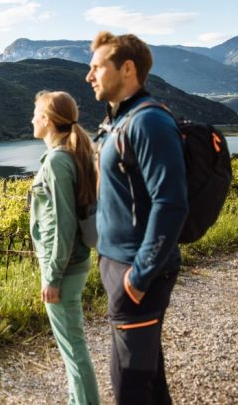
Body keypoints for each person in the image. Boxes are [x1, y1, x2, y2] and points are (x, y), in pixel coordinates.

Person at [85, 31, 188, 404]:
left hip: (137, 272)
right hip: (117, 265)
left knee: (129, 384)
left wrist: (139, 277)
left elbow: (171, 203)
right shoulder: (118, 121)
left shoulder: (148, 122)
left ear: (127, 68)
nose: (89, 76)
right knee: (149, 379)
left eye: (97, 67)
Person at [29, 90, 100, 405]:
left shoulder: (58, 160)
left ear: (46, 120)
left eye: (35, 114)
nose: (31, 119)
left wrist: (52, 276)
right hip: (73, 263)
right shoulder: (70, 154)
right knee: (73, 345)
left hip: (64, 267)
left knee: (73, 348)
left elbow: (63, 223)